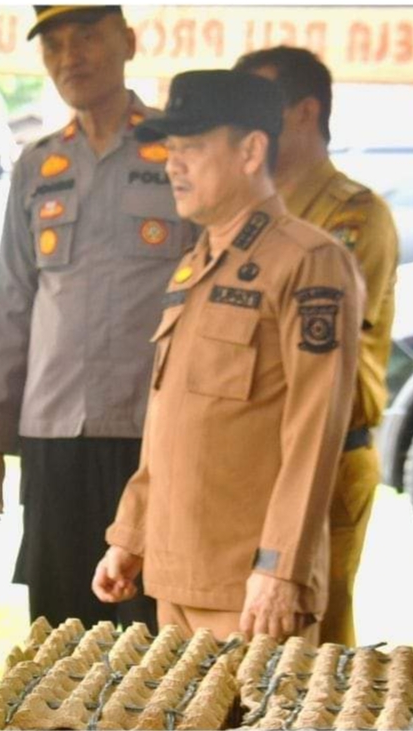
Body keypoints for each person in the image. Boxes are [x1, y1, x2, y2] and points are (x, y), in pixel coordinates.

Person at [92, 69, 365, 642]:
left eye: (192, 146)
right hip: (176, 575)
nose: (172, 163)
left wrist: (280, 567)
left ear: (250, 151)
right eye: (171, 148)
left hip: (252, 588)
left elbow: (316, 431)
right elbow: (169, 419)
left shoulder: (309, 261)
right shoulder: (195, 263)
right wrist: (132, 534)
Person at [0, 5, 195, 632]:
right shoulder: (37, 165)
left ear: (127, 41)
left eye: (87, 37)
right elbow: (12, 302)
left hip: (153, 428)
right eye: (55, 45)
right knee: (59, 617)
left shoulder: (179, 147)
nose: (71, 57)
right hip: (53, 432)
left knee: (156, 619)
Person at [234, 46, 399, 647]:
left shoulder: (354, 217)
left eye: (258, 103)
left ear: (305, 112)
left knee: (314, 645)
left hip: (328, 461)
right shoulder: (244, 213)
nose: (242, 118)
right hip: (253, 458)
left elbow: (303, 357)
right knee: (245, 643)